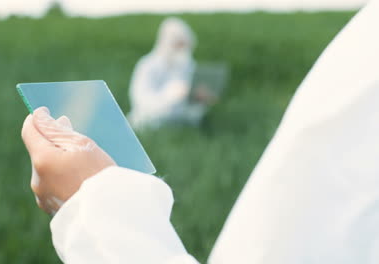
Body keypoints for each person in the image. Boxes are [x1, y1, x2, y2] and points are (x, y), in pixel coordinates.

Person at [21, 0, 379, 262]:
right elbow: (146, 101)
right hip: (153, 120)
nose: (180, 51)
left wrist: (91, 202)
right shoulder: (149, 67)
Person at [128, 17, 212, 129]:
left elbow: (190, 102)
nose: (181, 50)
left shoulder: (187, 65)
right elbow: (141, 101)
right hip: (149, 121)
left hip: (179, 122)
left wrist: (198, 97)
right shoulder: (148, 65)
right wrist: (169, 95)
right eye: (178, 44)